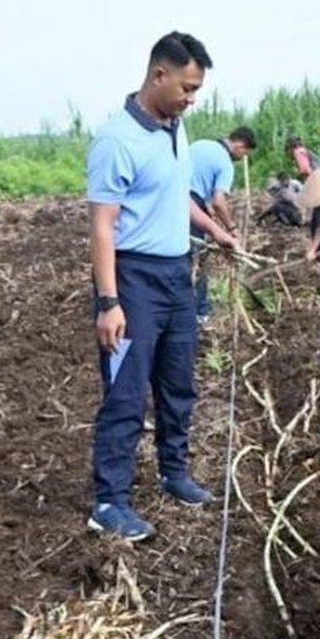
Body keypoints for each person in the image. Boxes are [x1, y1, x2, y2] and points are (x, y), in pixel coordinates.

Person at [86, 31, 237, 541]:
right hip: (132, 279)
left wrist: (214, 230)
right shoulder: (115, 141)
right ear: (159, 75)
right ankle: (109, 502)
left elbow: (177, 198)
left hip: (177, 274)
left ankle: (174, 473)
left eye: (197, 90)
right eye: (188, 88)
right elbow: (102, 226)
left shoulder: (176, 129)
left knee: (178, 385)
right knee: (127, 394)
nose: (192, 99)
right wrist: (109, 303)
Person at [189, 126, 256, 322]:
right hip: (190, 206)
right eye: (245, 153)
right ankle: (200, 313)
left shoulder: (201, 145)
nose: (242, 157)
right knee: (197, 260)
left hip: (170, 200)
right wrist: (231, 228)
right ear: (240, 145)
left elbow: (195, 181)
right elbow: (219, 202)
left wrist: (205, 206)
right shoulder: (226, 163)